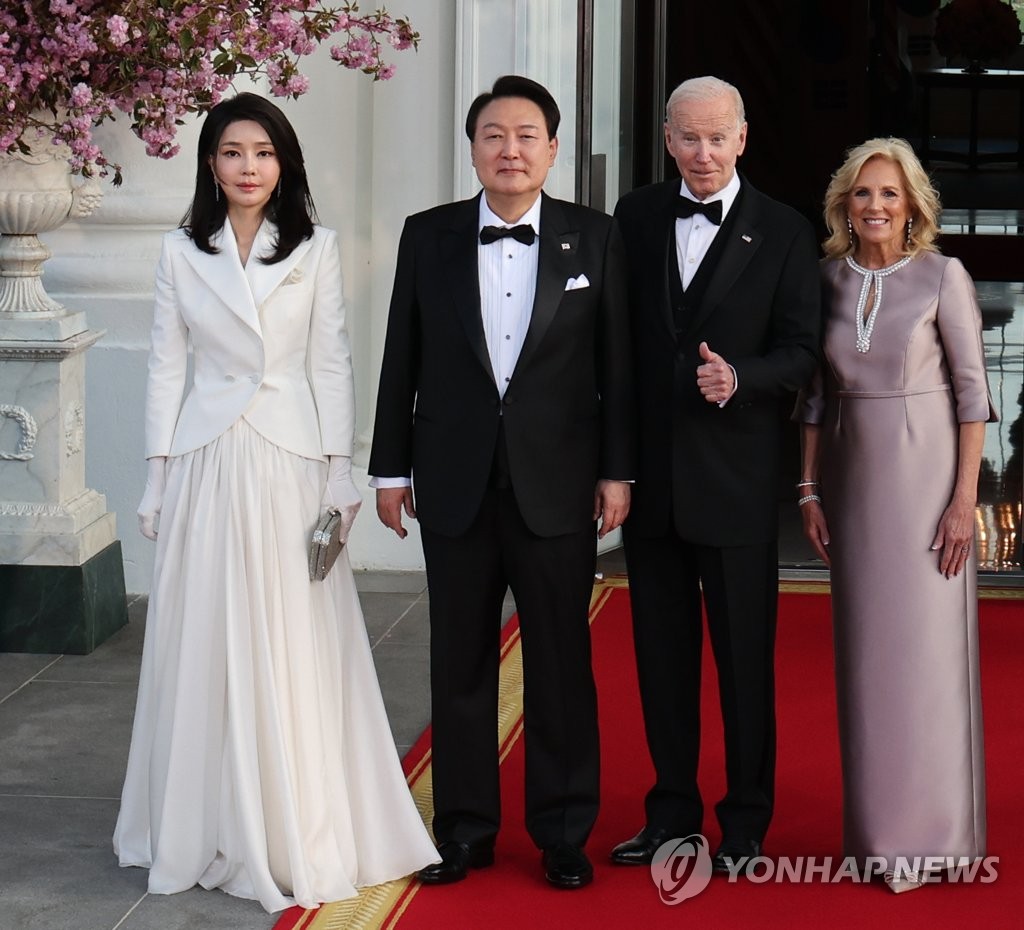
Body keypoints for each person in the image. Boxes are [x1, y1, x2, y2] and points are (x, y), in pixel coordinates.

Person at [113, 93, 438, 913]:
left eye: (262, 151)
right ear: (210, 164)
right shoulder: (181, 251)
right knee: (206, 631)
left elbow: (332, 361)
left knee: (291, 633)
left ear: (284, 162)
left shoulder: (317, 250)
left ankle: (298, 821)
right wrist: (154, 474)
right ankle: (200, 819)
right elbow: (163, 367)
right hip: (207, 460)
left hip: (292, 460)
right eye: (231, 152)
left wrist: (342, 468)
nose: (247, 167)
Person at [369, 75, 634, 890]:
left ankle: (561, 832)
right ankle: (464, 830)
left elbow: (616, 367)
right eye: (493, 134)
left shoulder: (596, 238)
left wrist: (617, 471)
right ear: (473, 146)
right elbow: (399, 359)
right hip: (453, 479)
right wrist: (388, 467)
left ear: (552, 150)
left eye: (526, 135)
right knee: (459, 663)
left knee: (559, 662)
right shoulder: (428, 235)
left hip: (557, 483)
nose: (509, 149)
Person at [609, 75, 821, 873]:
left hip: (734, 483)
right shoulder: (633, 217)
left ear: (742, 139)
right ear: (668, 140)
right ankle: (669, 815)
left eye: (717, 137)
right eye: (688, 138)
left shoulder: (785, 230)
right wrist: (614, 467)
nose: (703, 153)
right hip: (653, 484)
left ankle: (744, 825)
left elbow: (804, 350)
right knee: (661, 665)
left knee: (743, 666)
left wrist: (743, 379)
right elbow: (617, 349)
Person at [796, 137, 995, 893]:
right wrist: (808, 489)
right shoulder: (824, 282)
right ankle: (878, 837)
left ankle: (942, 836)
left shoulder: (944, 276)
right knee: (869, 660)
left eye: (889, 194)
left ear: (913, 204)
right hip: (853, 483)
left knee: (931, 661)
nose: (875, 206)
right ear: (845, 205)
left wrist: (962, 500)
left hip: (929, 481)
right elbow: (813, 398)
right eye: (861, 194)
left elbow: (975, 397)